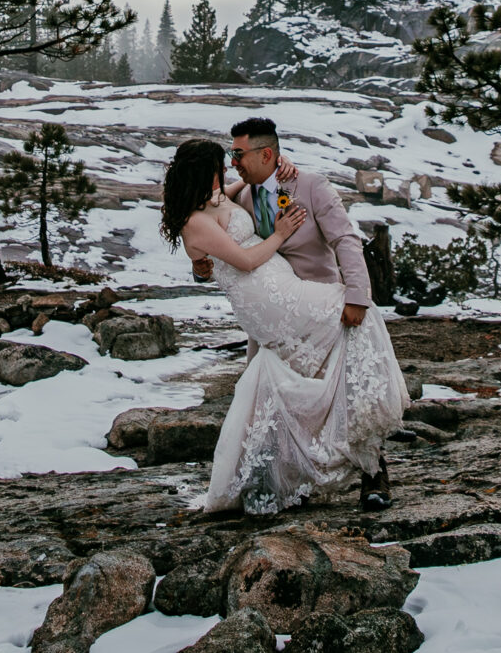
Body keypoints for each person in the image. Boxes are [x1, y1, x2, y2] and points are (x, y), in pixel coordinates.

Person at [164, 128, 403, 514]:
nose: (233, 162)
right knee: (284, 395)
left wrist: (358, 295)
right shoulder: (236, 195)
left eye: (238, 154)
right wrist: (199, 264)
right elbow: (214, 251)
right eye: (229, 156)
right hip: (272, 310)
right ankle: (290, 479)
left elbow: (346, 239)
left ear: (267, 154)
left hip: (308, 295)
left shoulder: (308, 185)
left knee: (348, 372)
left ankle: (374, 475)